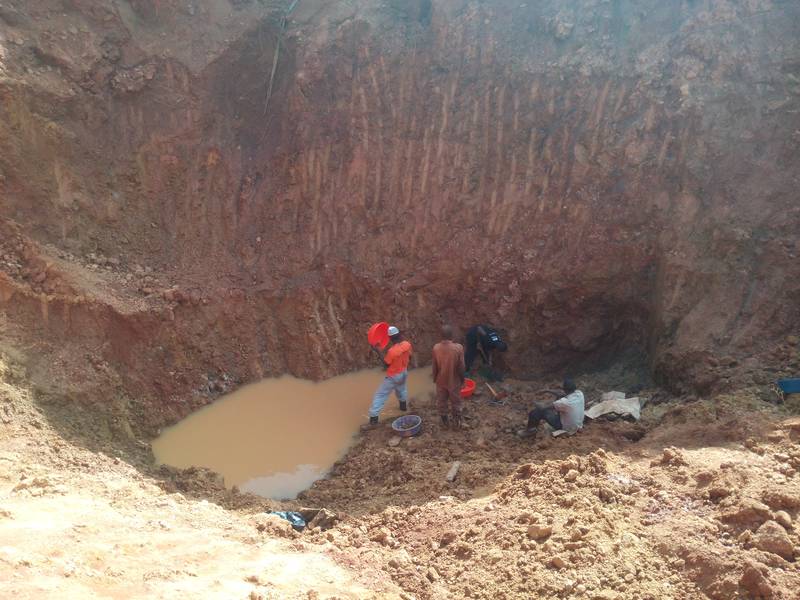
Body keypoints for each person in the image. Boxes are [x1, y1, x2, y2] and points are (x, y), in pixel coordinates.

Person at [367, 325, 412, 426]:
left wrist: (377, 350)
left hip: (393, 376)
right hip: (404, 372)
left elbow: (386, 364)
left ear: (390, 338)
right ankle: (403, 408)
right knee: (402, 390)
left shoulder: (392, 351)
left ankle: (373, 419)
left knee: (380, 395)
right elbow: (410, 356)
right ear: (399, 334)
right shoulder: (407, 344)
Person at [518, 378, 584, 438]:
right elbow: (561, 393)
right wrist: (547, 390)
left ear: (565, 389)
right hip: (578, 424)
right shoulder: (579, 394)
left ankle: (530, 431)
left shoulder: (564, 402)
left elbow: (542, 407)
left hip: (566, 427)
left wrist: (532, 400)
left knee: (537, 412)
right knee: (558, 399)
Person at [432, 325, 466, 430]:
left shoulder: (436, 348)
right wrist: (462, 379)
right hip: (454, 381)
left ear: (441, 336)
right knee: (456, 401)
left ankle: (445, 422)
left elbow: (435, 366)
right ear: (452, 336)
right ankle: (457, 422)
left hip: (441, 380)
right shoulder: (458, 348)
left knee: (441, 401)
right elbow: (461, 367)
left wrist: (435, 378)